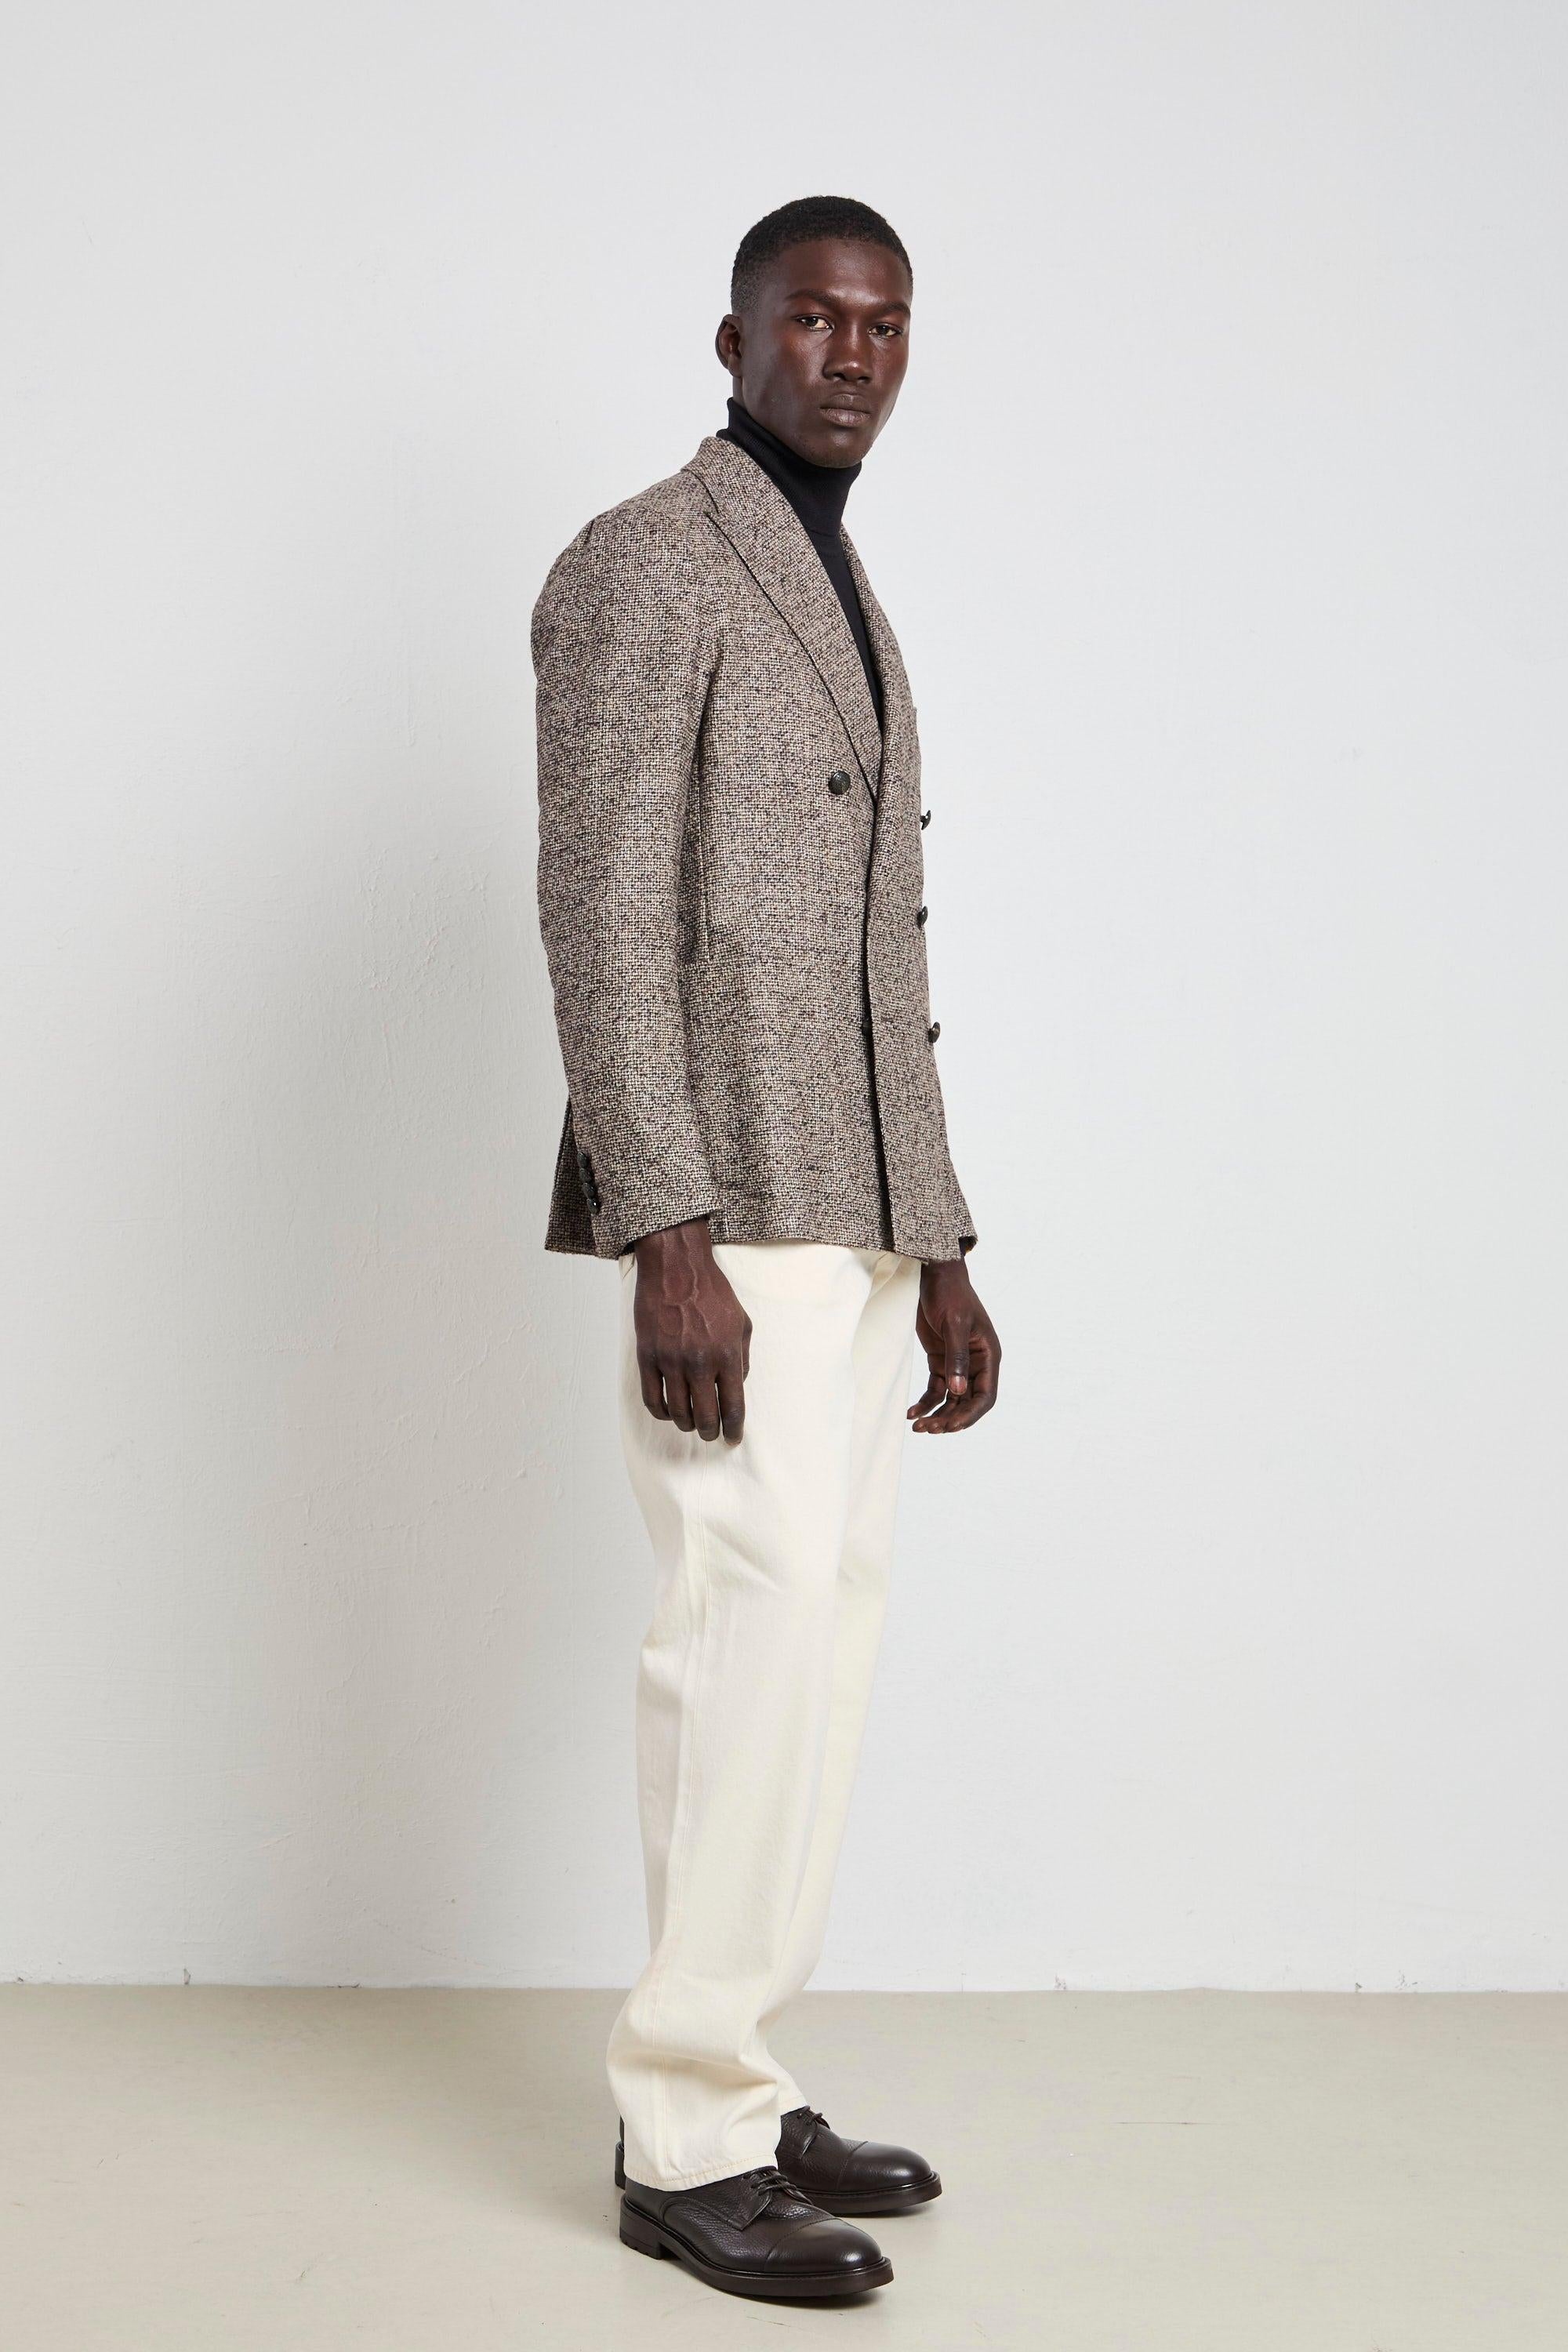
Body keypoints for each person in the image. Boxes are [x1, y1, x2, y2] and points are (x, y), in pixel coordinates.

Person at [533, 194, 1001, 2303]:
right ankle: (684, 2136)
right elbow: (604, 911)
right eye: (814, 317)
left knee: (819, 1649)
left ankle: (739, 2070)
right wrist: (668, 1229)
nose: (853, 353)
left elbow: (879, 951)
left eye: (884, 323)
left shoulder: (835, 570)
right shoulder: (649, 559)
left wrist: (946, 1238)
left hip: (860, 1210)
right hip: (728, 1214)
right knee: (744, 1642)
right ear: (729, 340)